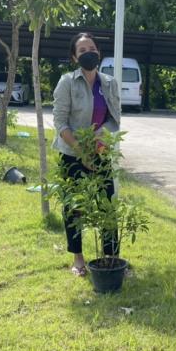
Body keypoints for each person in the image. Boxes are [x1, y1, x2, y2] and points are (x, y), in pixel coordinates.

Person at [52, 32, 121, 277]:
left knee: (107, 204)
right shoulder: (67, 82)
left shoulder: (109, 83)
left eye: (92, 48)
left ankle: (111, 257)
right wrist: (82, 152)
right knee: (74, 207)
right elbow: (60, 123)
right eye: (82, 50)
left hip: (100, 152)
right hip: (72, 154)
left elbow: (114, 119)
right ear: (74, 57)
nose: (88, 53)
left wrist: (99, 142)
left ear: (98, 52)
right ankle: (78, 258)